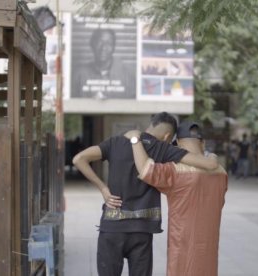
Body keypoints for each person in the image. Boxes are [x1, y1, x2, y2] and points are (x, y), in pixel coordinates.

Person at [72, 112, 218, 276]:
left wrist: (103, 188)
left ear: (151, 125)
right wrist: (211, 154)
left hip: (112, 229)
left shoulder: (116, 142)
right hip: (142, 232)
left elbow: (79, 159)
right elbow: (209, 165)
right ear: (168, 135)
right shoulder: (164, 148)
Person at [124, 121, 228, 276]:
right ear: (203, 142)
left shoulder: (176, 170)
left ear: (178, 143)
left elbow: (146, 169)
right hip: (208, 248)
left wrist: (135, 140)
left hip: (182, 246)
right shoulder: (221, 172)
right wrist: (212, 155)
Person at [72, 28, 136, 99]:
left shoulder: (127, 76)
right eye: (100, 42)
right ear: (92, 45)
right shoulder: (79, 75)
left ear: (113, 48)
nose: (103, 47)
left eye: (109, 43)